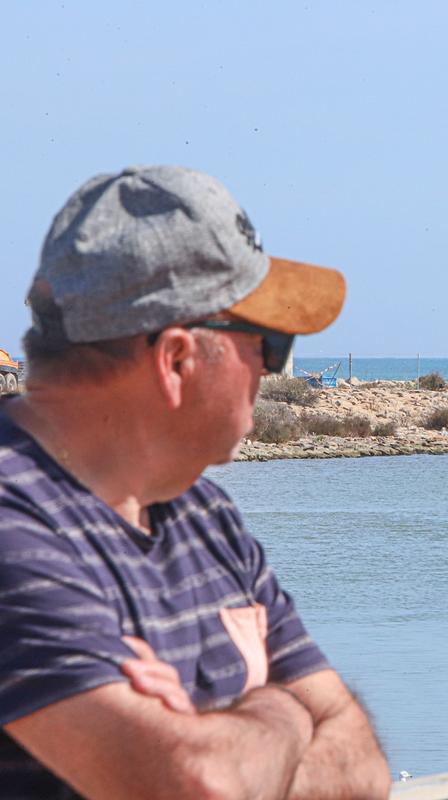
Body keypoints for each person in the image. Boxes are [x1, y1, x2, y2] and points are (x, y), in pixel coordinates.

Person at [0, 166, 391, 798]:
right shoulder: (12, 524)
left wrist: (216, 734)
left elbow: (365, 772)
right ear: (178, 359)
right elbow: (197, 786)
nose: (271, 370)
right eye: (269, 341)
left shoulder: (204, 515)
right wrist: (283, 709)